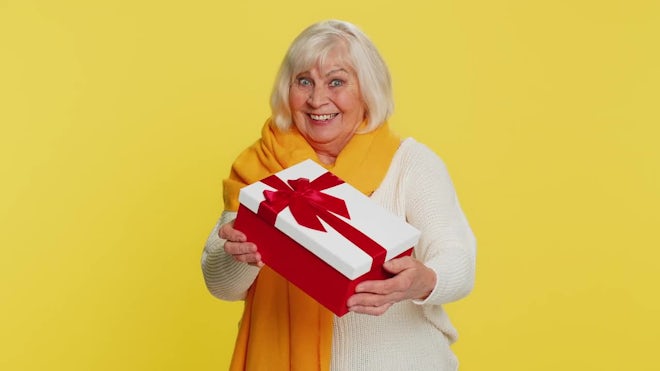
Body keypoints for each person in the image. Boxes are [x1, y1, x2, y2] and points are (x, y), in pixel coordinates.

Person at [202, 19, 476, 371]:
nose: (317, 99)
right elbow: (220, 285)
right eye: (304, 81)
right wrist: (240, 256)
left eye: (337, 82)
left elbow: (458, 258)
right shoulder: (260, 166)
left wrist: (425, 281)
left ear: (368, 90)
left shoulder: (409, 163)